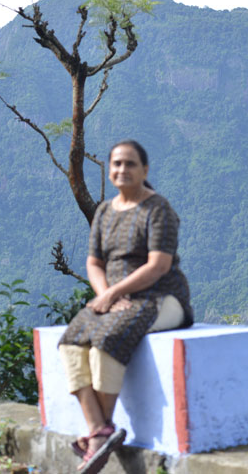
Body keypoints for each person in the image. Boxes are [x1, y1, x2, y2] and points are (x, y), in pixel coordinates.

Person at [58, 140, 193, 473]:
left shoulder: (158, 209)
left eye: (130, 164)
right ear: (109, 169)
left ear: (144, 170)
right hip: (114, 296)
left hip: (160, 297)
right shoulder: (105, 212)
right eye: (116, 163)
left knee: (107, 339)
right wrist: (106, 294)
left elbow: (158, 265)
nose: (122, 169)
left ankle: (97, 438)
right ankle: (99, 429)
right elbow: (94, 263)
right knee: (71, 342)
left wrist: (112, 294)